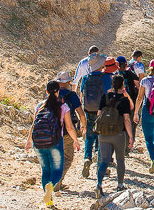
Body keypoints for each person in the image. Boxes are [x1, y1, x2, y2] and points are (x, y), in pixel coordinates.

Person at [25, 80, 76, 207]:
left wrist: (28, 141)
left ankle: (48, 201)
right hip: (55, 142)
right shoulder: (63, 107)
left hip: (38, 142)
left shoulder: (39, 106)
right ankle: (51, 186)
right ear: (58, 92)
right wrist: (76, 140)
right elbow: (69, 128)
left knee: (45, 170)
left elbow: (34, 124)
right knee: (57, 171)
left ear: (46, 92)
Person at [94, 74, 134, 198]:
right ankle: (120, 185)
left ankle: (99, 185)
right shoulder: (124, 100)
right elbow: (127, 119)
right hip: (118, 134)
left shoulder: (105, 97)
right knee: (120, 159)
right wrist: (130, 136)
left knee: (104, 160)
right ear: (123, 85)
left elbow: (99, 114)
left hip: (103, 133)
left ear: (112, 84)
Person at [75, 46, 107, 179]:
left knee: (89, 136)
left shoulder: (86, 78)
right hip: (101, 111)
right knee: (101, 135)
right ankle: (99, 162)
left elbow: (82, 94)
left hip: (88, 109)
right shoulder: (104, 78)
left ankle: (86, 158)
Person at [53, 72, 85, 190]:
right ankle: (56, 181)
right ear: (67, 83)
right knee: (68, 157)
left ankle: (56, 182)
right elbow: (81, 113)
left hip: (52, 131)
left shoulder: (52, 94)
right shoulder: (72, 95)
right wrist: (84, 126)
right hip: (67, 130)